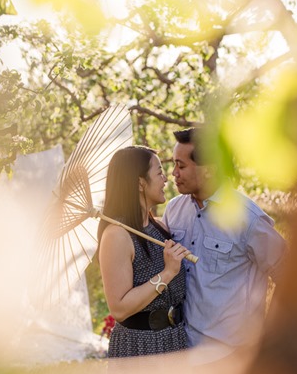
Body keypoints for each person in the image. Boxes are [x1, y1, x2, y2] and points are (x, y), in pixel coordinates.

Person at [162, 128, 287, 351]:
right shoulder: (174, 210)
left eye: (181, 166)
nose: (174, 174)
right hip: (182, 348)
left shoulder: (248, 218)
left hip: (230, 353)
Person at [98, 145, 191, 358]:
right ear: (140, 183)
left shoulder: (159, 227)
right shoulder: (117, 235)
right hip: (141, 346)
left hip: (174, 340)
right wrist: (167, 273)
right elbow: (119, 308)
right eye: (159, 172)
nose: (166, 179)